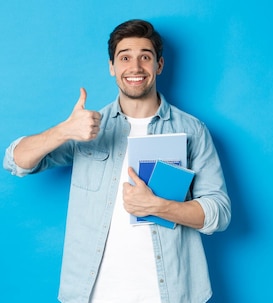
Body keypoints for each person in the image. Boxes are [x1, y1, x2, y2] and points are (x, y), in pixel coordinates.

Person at [3, 19, 231, 303]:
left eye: (145, 57)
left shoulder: (192, 131)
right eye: (125, 58)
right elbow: (15, 160)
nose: (135, 67)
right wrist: (64, 130)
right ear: (112, 67)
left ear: (159, 65)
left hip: (171, 292)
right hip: (93, 294)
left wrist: (158, 206)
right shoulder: (87, 127)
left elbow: (218, 212)